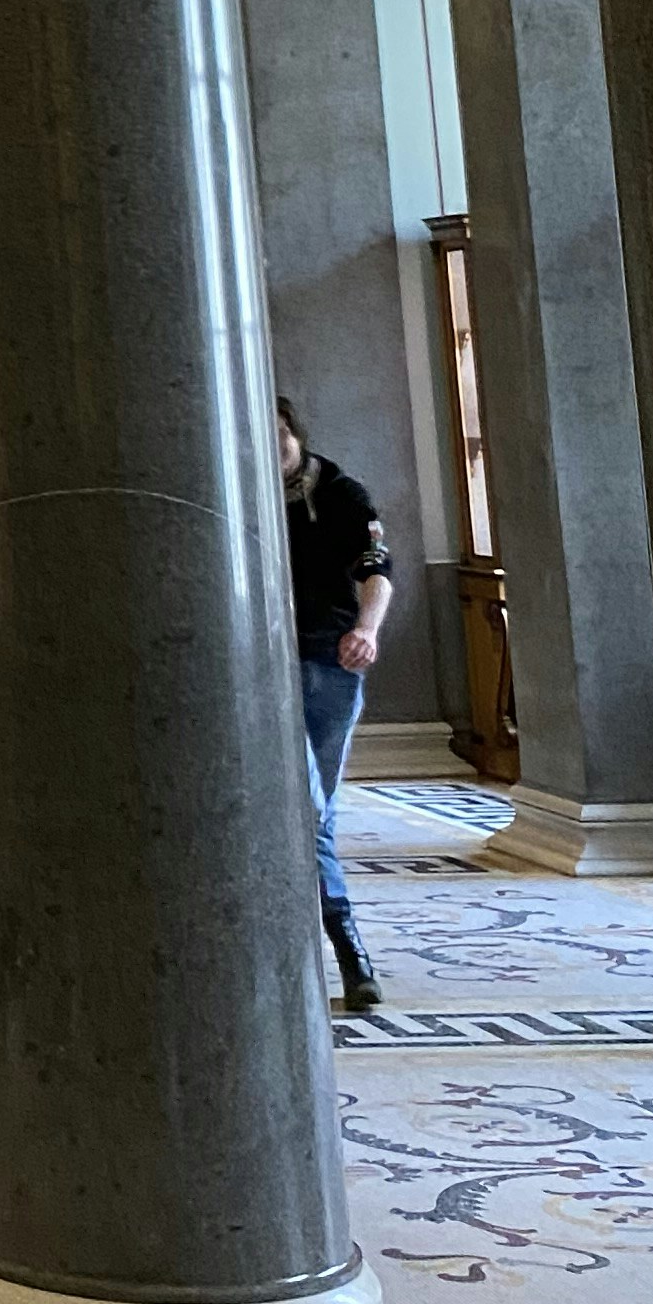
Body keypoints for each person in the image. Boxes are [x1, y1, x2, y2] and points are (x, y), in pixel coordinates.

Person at [279, 398, 394, 1011]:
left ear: (296, 434)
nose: (271, 448)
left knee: (315, 814)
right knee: (308, 805)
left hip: (330, 662)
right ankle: (349, 951)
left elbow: (376, 566)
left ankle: (346, 953)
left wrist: (368, 630)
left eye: (280, 435)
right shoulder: (238, 487)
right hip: (260, 666)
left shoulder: (342, 491)